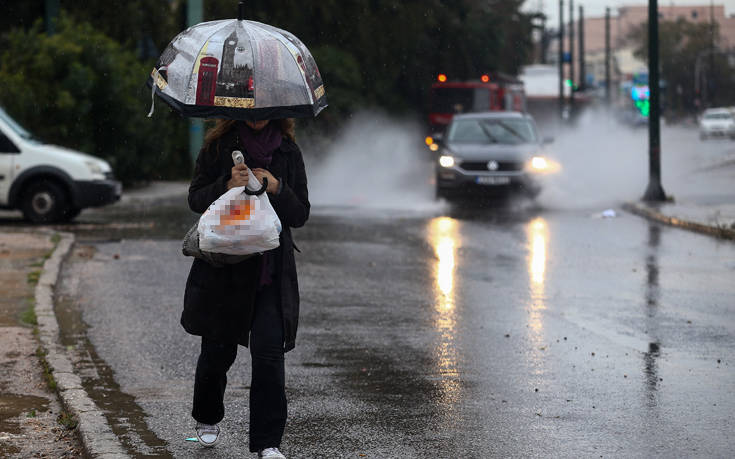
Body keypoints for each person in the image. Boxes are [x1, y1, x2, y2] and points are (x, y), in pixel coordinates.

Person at [181, 118, 309, 459]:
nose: (258, 116)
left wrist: (278, 187)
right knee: (217, 354)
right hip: (226, 270)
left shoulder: (287, 151)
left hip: (270, 272)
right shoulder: (218, 147)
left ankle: (268, 442)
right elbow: (195, 199)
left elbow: (300, 214)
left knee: (269, 356)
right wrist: (226, 184)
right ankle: (207, 417)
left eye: (265, 110)